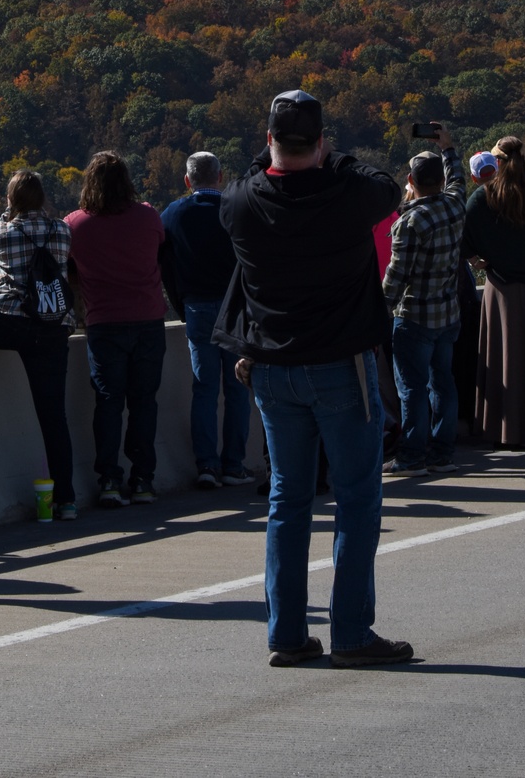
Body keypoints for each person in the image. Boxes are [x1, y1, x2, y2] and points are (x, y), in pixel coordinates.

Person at [215, 89, 412, 668]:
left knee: (287, 502)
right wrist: (338, 158)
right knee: (355, 502)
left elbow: (250, 176)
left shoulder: (241, 204)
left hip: (272, 370)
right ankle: (351, 633)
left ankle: (288, 633)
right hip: (341, 368)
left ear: (269, 141)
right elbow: (382, 182)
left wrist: (270, 160)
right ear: (321, 144)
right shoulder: (350, 195)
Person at [0, 170, 77, 519]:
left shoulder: (4, 232)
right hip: (53, 328)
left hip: (9, 322)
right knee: (54, 418)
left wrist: (8, 213)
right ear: (42, 197)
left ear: (12, 199)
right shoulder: (62, 230)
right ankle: (66, 500)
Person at [65, 152, 167, 508]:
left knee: (108, 402)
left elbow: (68, 268)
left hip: (104, 323)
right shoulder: (148, 216)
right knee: (144, 402)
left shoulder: (75, 225)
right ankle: (143, 480)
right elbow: (159, 249)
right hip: (148, 320)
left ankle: (109, 479)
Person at [160, 152, 254, 489]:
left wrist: (180, 303)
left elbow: (165, 264)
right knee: (238, 388)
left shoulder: (172, 215)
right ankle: (234, 464)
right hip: (237, 308)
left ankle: (207, 466)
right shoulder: (236, 210)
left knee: (204, 388)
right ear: (220, 176)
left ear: (188, 180)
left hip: (197, 307)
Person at [464, 136, 525, 447]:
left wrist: (479, 259)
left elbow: (465, 243)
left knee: (506, 363)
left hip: (502, 291)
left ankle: (505, 431)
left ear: (498, 163)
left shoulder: (483, 198)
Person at [382, 127, 466, 476]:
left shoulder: (410, 222)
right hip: (448, 312)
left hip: (414, 316)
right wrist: (447, 148)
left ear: (410, 180)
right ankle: (442, 451)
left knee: (412, 388)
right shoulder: (455, 205)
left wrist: (377, 312)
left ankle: (412, 456)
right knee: (442, 381)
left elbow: (396, 277)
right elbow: (458, 180)